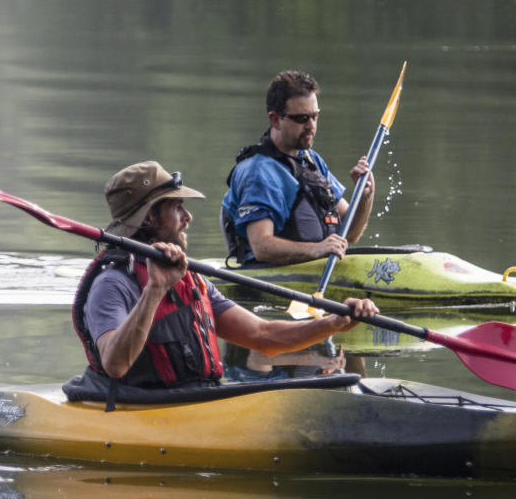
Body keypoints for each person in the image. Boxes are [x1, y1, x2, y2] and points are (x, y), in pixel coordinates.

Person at [70, 160, 378, 401]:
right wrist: (155, 290)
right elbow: (115, 364)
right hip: (142, 407)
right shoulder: (112, 284)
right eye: (177, 207)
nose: (188, 217)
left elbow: (262, 335)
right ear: (149, 218)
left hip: (198, 399)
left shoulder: (191, 279)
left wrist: (335, 322)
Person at [221, 70, 376, 266]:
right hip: (271, 280)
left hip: (314, 271)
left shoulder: (311, 160)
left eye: (315, 116)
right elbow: (261, 246)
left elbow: (351, 233)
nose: (311, 126)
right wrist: (316, 249)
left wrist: (365, 196)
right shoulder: (259, 173)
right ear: (276, 120)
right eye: (302, 119)